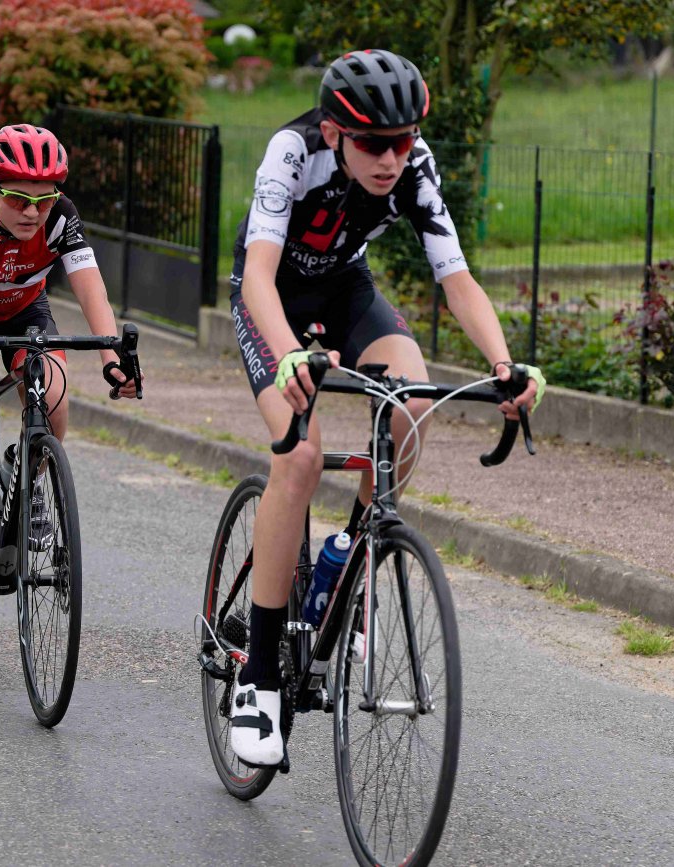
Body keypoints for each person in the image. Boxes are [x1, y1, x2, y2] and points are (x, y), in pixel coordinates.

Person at [227, 49, 544, 766]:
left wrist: (503, 365)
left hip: (346, 292)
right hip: (271, 301)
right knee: (300, 457)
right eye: (374, 144)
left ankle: (349, 553)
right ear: (335, 133)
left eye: (403, 141)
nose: (391, 159)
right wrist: (290, 356)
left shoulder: (415, 166)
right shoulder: (292, 152)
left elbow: (456, 280)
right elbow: (257, 276)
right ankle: (260, 675)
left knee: (413, 402)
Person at [0, 123, 137, 618]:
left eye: (44, 199)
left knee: (55, 403)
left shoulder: (61, 217)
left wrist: (112, 359)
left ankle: (27, 473)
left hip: (26, 313)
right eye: (19, 199)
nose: (33, 212)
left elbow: (92, 289)